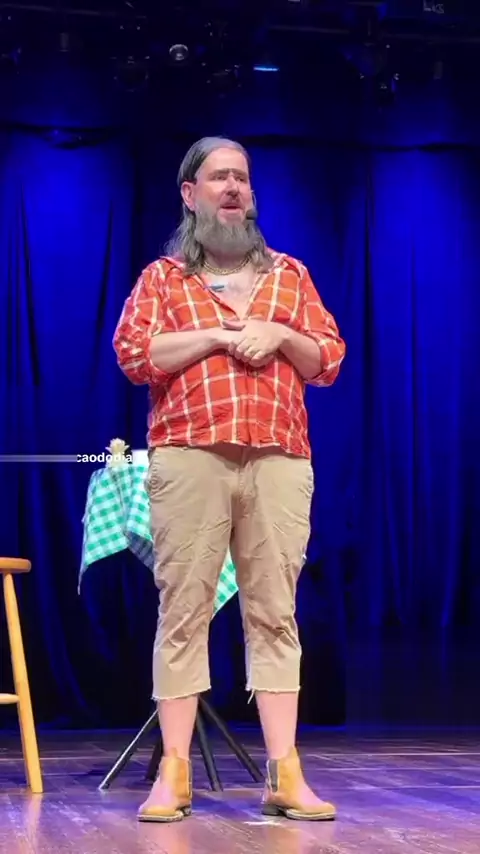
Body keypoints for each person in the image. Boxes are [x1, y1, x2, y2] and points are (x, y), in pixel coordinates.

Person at [113, 136, 346, 823]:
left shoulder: (290, 276)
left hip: (277, 457)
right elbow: (134, 354)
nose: (234, 188)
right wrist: (218, 336)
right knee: (183, 611)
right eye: (219, 178)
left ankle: (284, 772)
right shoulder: (164, 279)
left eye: (242, 178)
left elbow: (328, 359)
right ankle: (174, 771)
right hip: (191, 456)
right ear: (190, 194)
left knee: (275, 612)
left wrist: (280, 335)